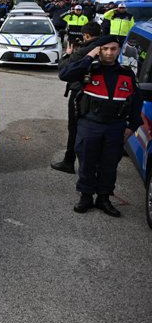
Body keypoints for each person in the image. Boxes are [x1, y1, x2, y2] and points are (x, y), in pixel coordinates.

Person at [59, 35, 142, 217]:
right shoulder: (89, 70)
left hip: (115, 127)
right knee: (87, 162)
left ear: (119, 51)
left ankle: (104, 198)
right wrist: (89, 56)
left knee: (109, 164)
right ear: (99, 50)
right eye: (105, 49)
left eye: (113, 49)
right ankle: (86, 196)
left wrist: (132, 126)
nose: (109, 53)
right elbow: (64, 74)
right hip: (90, 124)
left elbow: (136, 103)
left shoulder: (126, 74)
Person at [52, 22, 102, 174]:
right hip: (99, 94)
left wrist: (68, 53)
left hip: (80, 93)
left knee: (74, 128)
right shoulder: (107, 46)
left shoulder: (85, 51)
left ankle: (69, 161)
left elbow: (63, 69)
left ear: (86, 35)